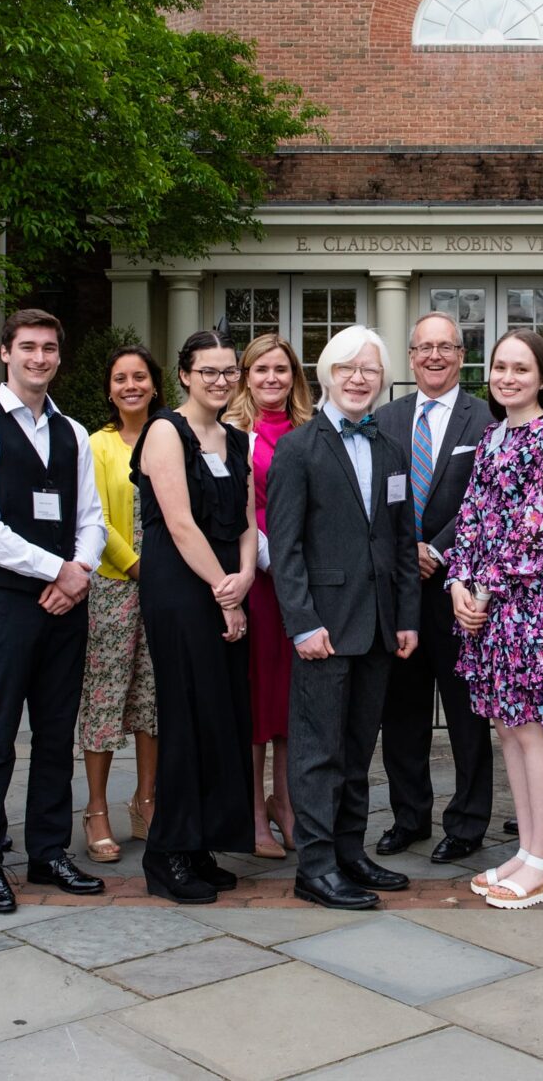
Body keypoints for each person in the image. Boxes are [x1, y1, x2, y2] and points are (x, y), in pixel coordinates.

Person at [0, 309, 109, 913]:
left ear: (58, 357)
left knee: (54, 731)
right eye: (28, 348)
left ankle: (47, 852)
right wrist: (57, 571)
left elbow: (91, 519)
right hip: (9, 601)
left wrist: (80, 573)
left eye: (49, 348)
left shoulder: (70, 431)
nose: (39, 358)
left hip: (67, 604)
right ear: (6, 355)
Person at [268, 326, 422, 911]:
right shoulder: (298, 448)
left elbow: (400, 541)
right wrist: (303, 623)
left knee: (359, 748)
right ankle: (315, 866)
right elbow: (285, 549)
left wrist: (406, 615)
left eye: (370, 370)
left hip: (380, 624)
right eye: (347, 368)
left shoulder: (389, 448)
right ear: (328, 374)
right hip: (325, 628)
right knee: (317, 752)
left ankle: (350, 852)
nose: (359, 378)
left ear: (382, 380)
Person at [450, 330, 543, 909]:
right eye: (500, 367)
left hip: (525, 604)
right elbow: (471, 515)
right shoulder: (491, 434)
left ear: (541, 376)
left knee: (531, 728)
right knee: (506, 728)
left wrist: (485, 588)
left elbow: (540, 528)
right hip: (481, 604)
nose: (507, 377)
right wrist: (459, 583)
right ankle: (527, 851)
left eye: (520, 368)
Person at [136, 331, 255, 904]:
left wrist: (246, 578)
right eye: (207, 371)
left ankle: (202, 841)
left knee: (221, 713)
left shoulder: (235, 438)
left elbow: (250, 522)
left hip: (227, 582)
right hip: (183, 589)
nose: (220, 380)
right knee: (185, 714)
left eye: (229, 371)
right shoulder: (166, 431)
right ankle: (168, 853)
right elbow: (180, 523)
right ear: (184, 374)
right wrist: (224, 592)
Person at [377, 312, 496, 864]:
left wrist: (437, 550)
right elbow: (377, 500)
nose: (434, 357)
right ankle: (408, 817)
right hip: (400, 591)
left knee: (467, 714)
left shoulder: (486, 420)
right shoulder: (385, 419)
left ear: (461, 356)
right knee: (401, 713)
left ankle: (468, 823)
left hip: (460, 590)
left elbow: (484, 500)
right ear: (410, 355)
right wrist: (408, 552)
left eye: (445, 348)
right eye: (424, 348)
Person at [76, 344, 162, 863]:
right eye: (120, 378)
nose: (130, 385)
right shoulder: (96, 444)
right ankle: (96, 808)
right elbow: (94, 517)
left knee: (154, 699)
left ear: (155, 383)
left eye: (140, 376)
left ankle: (146, 800)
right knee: (106, 697)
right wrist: (135, 565)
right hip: (114, 584)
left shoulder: (171, 434)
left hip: (168, 588)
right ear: (109, 389)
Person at [228, 333, 312, 859]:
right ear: (246, 376)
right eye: (261, 370)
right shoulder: (235, 431)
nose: (272, 379)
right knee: (256, 699)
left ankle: (287, 803)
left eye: (281, 369)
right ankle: (253, 813)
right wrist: (266, 559)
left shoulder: (310, 429)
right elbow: (235, 509)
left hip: (302, 578)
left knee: (291, 699)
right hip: (254, 575)